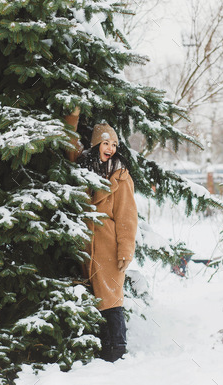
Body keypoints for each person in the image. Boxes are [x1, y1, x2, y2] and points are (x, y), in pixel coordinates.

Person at [64, 108, 138, 362]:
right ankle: (98, 349)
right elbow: (69, 140)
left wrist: (125, 251)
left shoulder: (120, 174)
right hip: (84, 246)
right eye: (106, 143)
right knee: (92, 301)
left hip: (108, 249)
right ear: (96, 145)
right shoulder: (83, 164)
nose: (111, 148)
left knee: (112, 301)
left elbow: (128, 217)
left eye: (115, 144)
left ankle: (116, 350)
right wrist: (72, 117)